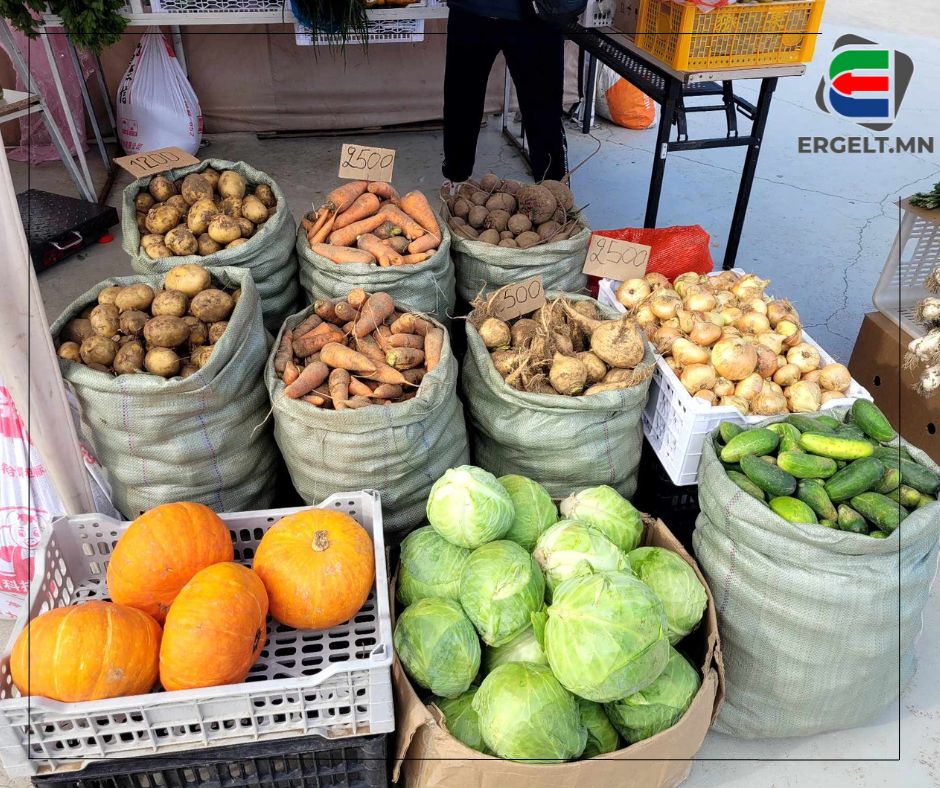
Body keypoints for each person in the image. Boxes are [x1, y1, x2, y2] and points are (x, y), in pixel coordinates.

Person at [442, 0, 568, 188]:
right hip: (472, 10)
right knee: (461, 103)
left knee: (545, 112)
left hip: (538, 13)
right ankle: (456, 181)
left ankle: (554, 192)